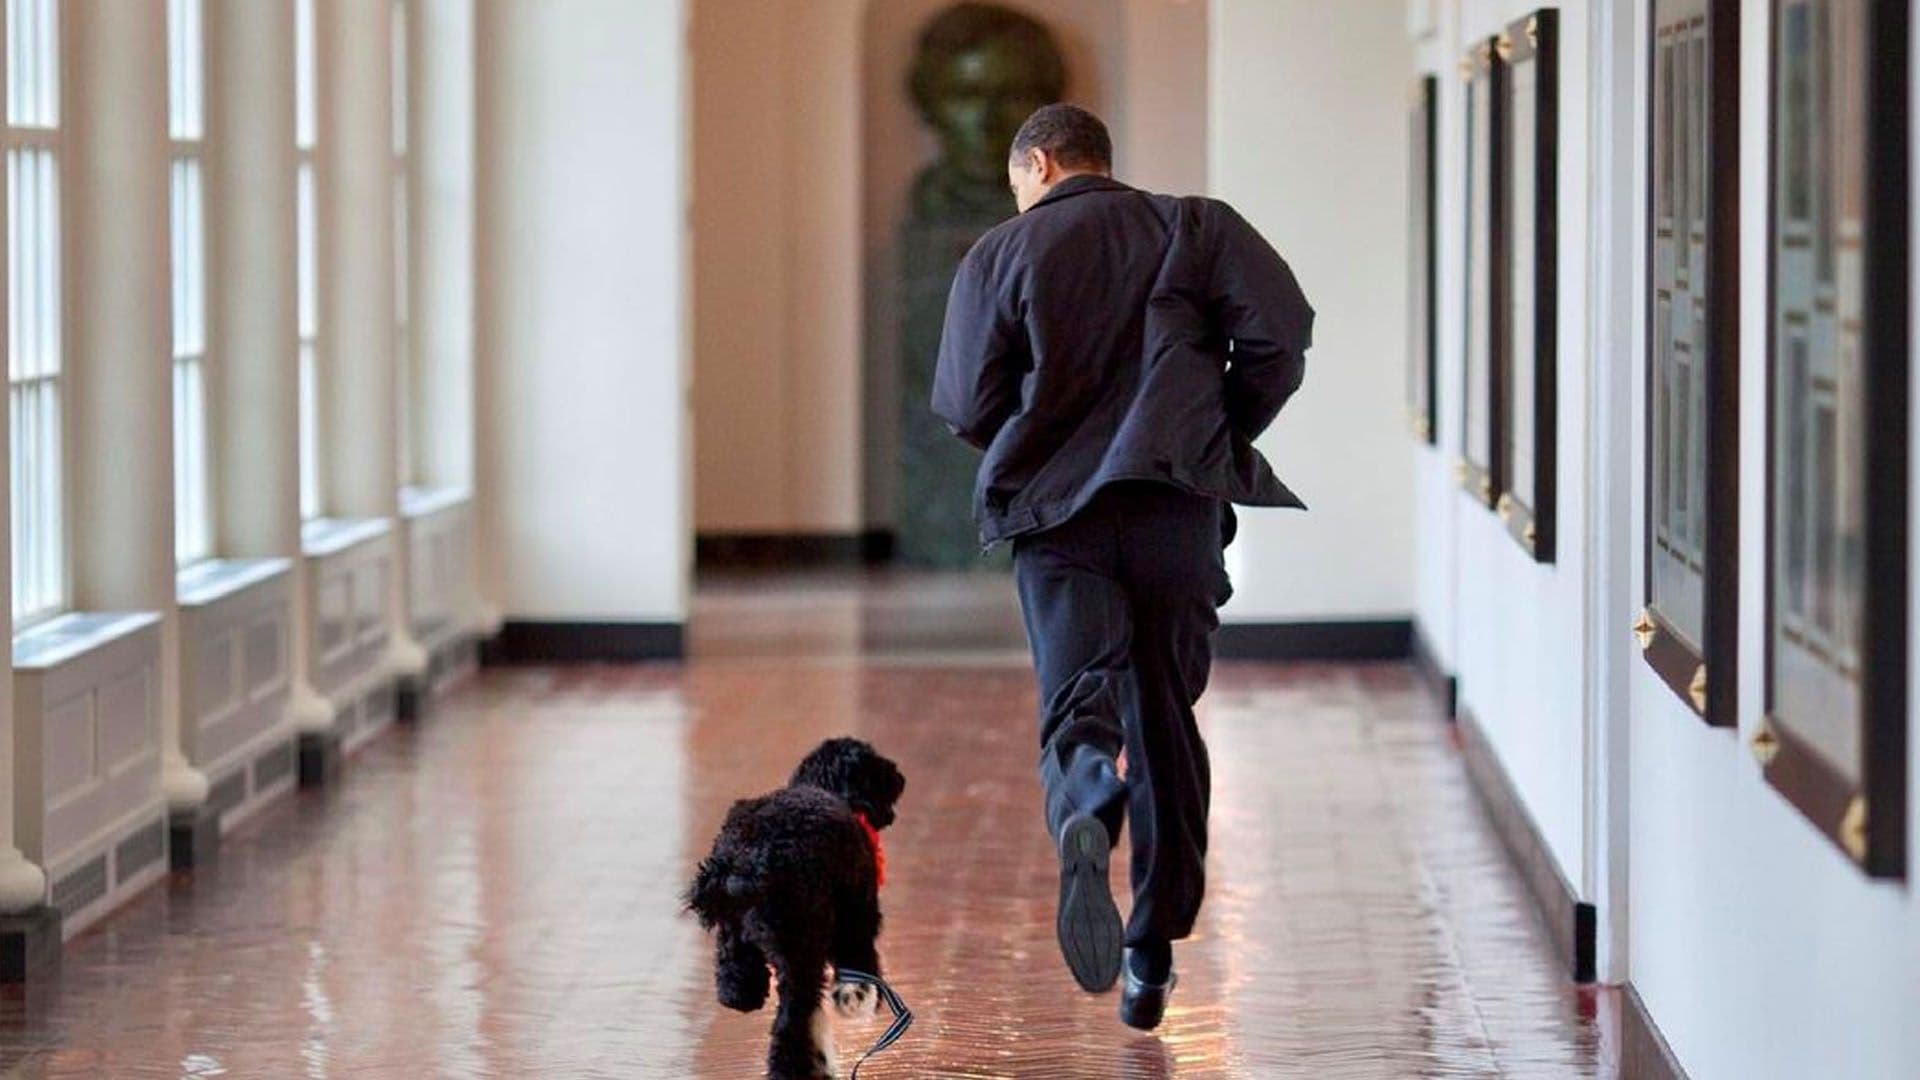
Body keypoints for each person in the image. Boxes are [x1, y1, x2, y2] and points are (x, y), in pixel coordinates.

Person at [930, 103, 1314, 1031]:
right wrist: (1210, 428)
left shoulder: (1000, 253)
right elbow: (1282, 336)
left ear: (1044, 162)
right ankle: (1151, 953)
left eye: (1018, 181)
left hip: (1060, 518)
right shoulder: (1196, 225)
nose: (1017, 198)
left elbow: (964, 399)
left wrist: (1034, 439)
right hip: (1173, 508)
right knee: (1164, 714)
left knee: (1079, 697)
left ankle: (1087, 796)